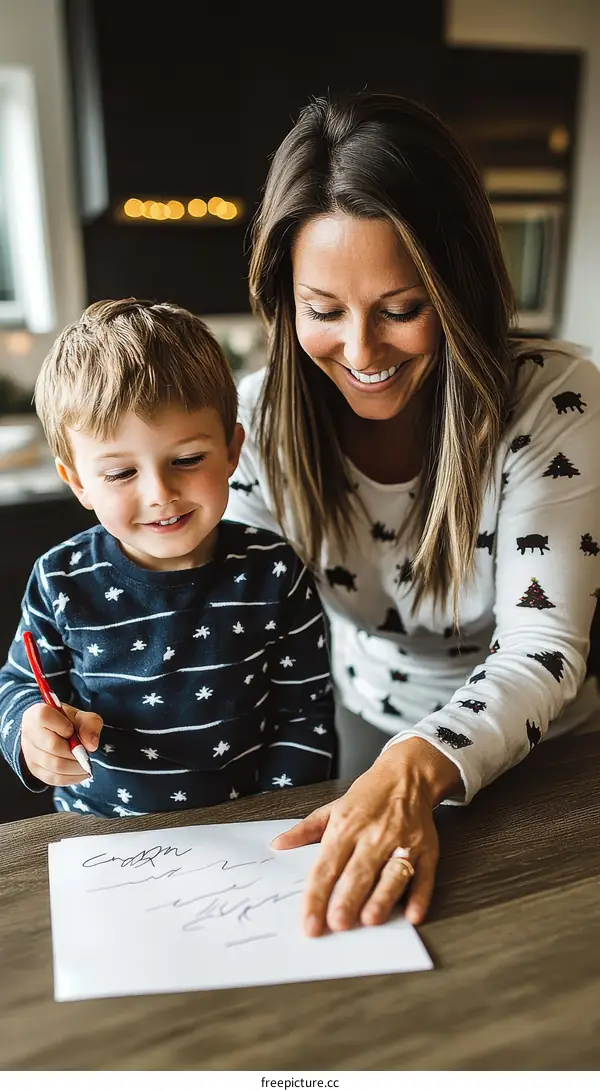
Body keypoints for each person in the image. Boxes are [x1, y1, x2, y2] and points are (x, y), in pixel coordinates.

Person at [225, 92, 600, 937]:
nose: (361, 354)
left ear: (459, 283)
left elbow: (544, 647)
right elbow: (222, 614)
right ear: (285, 299)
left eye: (401, 309)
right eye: (324, 311)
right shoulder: (254, 425)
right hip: (363, 729)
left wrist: (415, 772)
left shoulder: (555, 403)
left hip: (554, 759)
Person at [0, 299, 334, 817]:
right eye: (120, 474)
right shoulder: (59, 580)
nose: (160, 493)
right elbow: (22, 686)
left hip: (250, 835)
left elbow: (304, 715)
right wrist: (30, 730)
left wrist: (276, 816)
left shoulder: (274, 572)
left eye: (187, 460)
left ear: (231, 450)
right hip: (100, 837)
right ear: (78, 482)